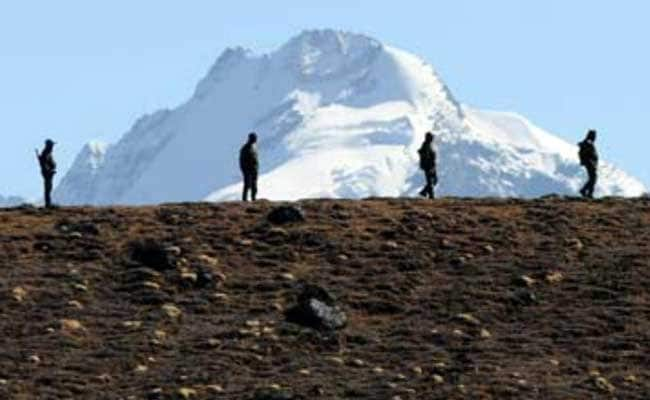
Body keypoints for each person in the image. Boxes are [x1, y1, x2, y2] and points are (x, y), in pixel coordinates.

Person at [36, 139, 57, 208]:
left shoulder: (47, 153)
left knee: (49, 188)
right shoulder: (46, 153)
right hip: (47, 174)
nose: (53, 147)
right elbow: (44, 165)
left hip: (48, 173)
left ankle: (48, 203)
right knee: (48, 188)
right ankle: (48, 204)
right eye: (52, 145)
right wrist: (50, 171)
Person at [578, 130, 599, 199]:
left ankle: (587, 192)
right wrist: (591, 161)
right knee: (593, 178)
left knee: (593, 178)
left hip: (590, 162)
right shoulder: (588, 143)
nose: (595, 138)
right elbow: (588, 153)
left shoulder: (587, 142)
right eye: (594, 136)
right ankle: (586, 191)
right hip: (590, 163)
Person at [239, 132, 259, 202]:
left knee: (254, 185)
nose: (256, 140)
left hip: (254, 170)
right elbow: (242, 161)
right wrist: (244, 170)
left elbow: (255, 159)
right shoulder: (245, 148)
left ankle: (253, 198)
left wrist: (256, 168)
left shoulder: (254, 148)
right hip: (248, 170)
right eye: (254, 138)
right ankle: (244, 199)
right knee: (247, 185)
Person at [418, 132, 437, 199]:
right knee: (430, 181)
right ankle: (430, 195)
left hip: (430, 166)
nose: (432, 139)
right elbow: (427, 157)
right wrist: (430, 166)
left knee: (431, 181)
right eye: (431, 137)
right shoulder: (426, 146)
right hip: (429, 166)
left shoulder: (428, 145)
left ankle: (425, 193)